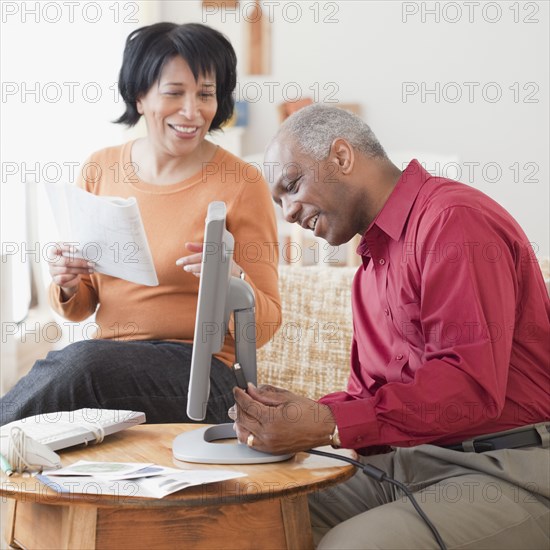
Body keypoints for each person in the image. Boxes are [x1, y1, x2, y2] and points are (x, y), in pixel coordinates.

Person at [231, 104, 550, 549]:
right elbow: (367, 402)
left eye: (292, 186)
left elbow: (470, 387)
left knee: (356, 546)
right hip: (411, 463)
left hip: (506, 464)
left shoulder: (453, 222)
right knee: (245, 511)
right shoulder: (368, 273)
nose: (287, 213)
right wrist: (292, 416)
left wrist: (327, 422)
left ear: (342, 157)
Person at [0, 23, 281, 426]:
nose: (192, 111)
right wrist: (67, 282)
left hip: (203, 375)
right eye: (174, 93)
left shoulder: (241, 183)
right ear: (140, 95)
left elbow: (266, 323)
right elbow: (82, 308)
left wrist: (231, 280)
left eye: (205, 94)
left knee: (81, 363)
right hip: (108, 360)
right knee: (78, 366)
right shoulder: (100, 168)